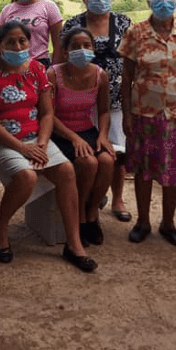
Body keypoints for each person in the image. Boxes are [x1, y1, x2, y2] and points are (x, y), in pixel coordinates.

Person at [0, 20, 96, 272]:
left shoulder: (38, 70)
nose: (18, 46)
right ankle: (0, 228)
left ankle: (73, 244)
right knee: (26, 176)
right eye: (11, 41)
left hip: (35, 137)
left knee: (66, 172)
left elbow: (46, 113)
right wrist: (22, 149)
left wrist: (41, 143)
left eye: (22, 41)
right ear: (0, 45)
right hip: (0, 139)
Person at [119, 0, 176, 247]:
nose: (164, 0)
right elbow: (126, 77)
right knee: (144, 170)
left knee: (174, 170)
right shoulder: (136, 32)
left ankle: (168, 223)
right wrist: (127, 113)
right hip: (144, 111)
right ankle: (142, 221)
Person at [59, 0, 133, 221]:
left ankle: (118, 199)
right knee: (88, 152)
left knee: (115, 150)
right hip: (80, 98)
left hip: (115, 97)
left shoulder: (123, 23)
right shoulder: (72, 24)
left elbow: (132, 58)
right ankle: (92, 196)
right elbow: (59, 58)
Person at [49, 27, 115, 247]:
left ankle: (92, 212)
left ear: (94, 49)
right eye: (75, 46)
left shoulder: (100, 75)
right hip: (60, 133)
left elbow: (104, 111)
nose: (81, 50)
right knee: (88, 163)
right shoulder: (53, 74)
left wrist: (103, 136)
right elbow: (48, 115)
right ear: (65, 51)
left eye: (86, 46)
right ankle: (79, 218)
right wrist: (74, 138)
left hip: (88, 130)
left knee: (106, 160)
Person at [0, 0, 63, 68]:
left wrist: (53, 71)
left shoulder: (49, 7)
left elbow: (59, 45)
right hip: (11, 66)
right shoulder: (7, 10)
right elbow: (0, 44)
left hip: (40, 64)